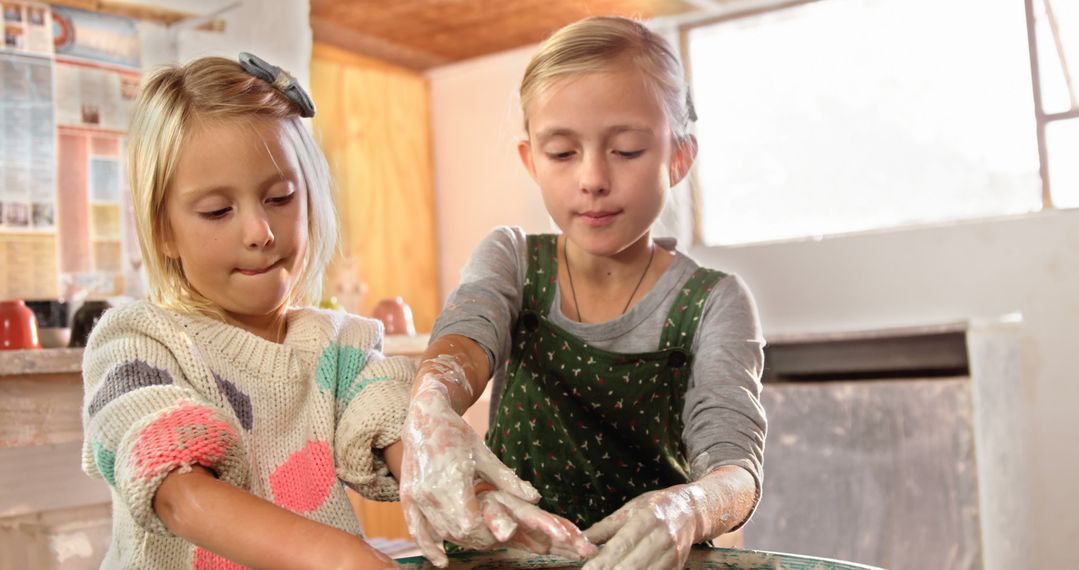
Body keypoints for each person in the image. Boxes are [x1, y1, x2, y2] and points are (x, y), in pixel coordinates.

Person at [400, 16, 768, 570]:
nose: (593, 178)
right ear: (531, 161)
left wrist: (690, 507)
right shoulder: (514, 261)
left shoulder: (715, 301)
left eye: (625, 150)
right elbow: (465, 336)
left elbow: (735, 470)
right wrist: (432, 403)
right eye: (563, 153)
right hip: (509, 557)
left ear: (679, 156)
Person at [80, 54, 413, 569]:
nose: (260, 232)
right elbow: (176, 491)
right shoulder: (136, 345)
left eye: (279, 197)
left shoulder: (340, 348)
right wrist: (342, 558)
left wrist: (452, 482)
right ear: (164, 229)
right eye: (218, 211)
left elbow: (392, 420)